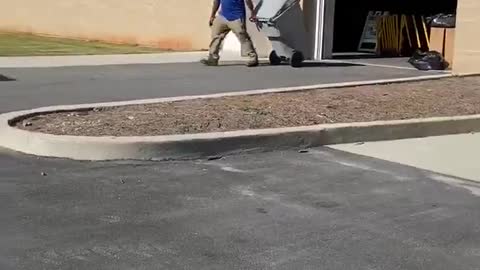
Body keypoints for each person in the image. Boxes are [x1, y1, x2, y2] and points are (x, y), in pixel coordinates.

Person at [201, 0, 259, 67]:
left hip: (236, 17)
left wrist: (252, 12)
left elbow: (248, 1)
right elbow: (216, 1)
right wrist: (212, 15)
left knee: (243, 37)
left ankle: (252, 58)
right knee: (215, 36)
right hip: (222, 16)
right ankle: (212, 59)